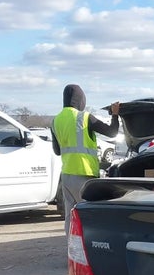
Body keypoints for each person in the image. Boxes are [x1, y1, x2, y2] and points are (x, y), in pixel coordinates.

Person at [51, 84, 120, 233]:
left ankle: (72, 249)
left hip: (67, 176)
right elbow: (113, 132)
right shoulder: (85, 117)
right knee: (88, 215)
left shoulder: (55, 120)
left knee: (71, 216)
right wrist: (115, 114)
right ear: (80, 100)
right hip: (85, 175)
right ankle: (89, 251)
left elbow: (57, 151)